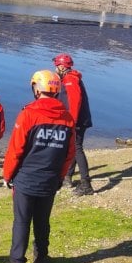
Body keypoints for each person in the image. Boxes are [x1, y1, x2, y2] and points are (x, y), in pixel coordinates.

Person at [2, 70, 75, 263]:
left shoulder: (29, 114)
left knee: (22, 222)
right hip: (50, 179)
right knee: (43, 221)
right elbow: (69, 154)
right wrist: (60, 177)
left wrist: (7, 175)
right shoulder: (67, 118)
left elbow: (15, 149)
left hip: (27, 179)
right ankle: (42, 257)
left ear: (36, 88)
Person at [53, 53, 94, 196]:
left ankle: (86, 184)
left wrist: (72, 122)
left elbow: (75, 102)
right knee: (71, 147)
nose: (55, 69)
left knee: (76, 148)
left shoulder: (70, 80)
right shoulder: (69, 78)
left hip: (77, 121)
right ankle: (68, 178)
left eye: (57, 66)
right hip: (77, 120)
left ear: (62, 67)